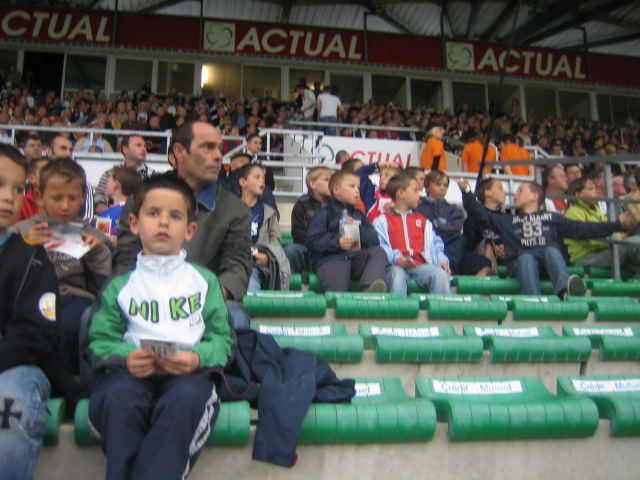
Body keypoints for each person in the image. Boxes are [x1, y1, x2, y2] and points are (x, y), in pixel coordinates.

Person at [86, 172, 234, 480]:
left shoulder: (204, 282)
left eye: (175, 216)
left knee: (185, 401)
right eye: (153, 213)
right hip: (129, 375)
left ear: (190, 230)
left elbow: (222, 340)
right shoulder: (120, 284)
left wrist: (197, 357)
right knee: (117, 400)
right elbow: (99, 342)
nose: (164, 222)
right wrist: (126, 356)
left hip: (188, 377)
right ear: (135, 224)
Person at [115, 121, 252, 329]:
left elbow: (236, 270)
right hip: (144, 297)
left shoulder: (236, 210)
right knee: (91, 316)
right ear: (179, 151)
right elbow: (126, 259)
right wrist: (158, 299)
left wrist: (192, 299)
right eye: (207, 147)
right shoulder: (141, 199)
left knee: (235, 318)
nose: (218, 156)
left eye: (219, 148)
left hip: (206, 301)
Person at [0, 145, 85, 480]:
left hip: (17, 369)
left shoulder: (32, 258)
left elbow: (33, 337)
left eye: (17, 189)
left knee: (9, 407)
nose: (8, 197)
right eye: (0, 185)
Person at [13, 158, 112, 376]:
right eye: (57, 198)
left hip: (75, 299)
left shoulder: (94, 236)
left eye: (73, 198)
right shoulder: (22, 230)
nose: (65, 206)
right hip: (31, 297)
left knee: (71, 321)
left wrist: (97, 253)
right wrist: (26, 246)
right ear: (39, 196)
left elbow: (103, 289)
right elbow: (9, 277)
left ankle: (69, 383)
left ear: (84, 196)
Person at [456, 178, 632, 298]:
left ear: (535, 196)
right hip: (521, 265)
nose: (515, 194)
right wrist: (467, 191)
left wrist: (616, 225)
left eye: (520, 191)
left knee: (550, 250)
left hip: (548, 266)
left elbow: (583, 229)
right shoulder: (508, 220)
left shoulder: (552, 218)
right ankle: (535, 301)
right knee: (525, 257)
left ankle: (565, 290)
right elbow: (480, 215)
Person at [306, 170, 387, 292]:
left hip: (355, 258)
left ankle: (369, 290)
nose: (357, 191)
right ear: (336, 190)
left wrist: (358, 229)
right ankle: (339, 304)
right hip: (331, 259)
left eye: (358, 187)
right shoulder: (323, 213)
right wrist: (337, 242)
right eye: (352, 186)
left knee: (378, 252)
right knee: (339, 287)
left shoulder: (360, 215)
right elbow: (312, 240)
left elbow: (374, 240)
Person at [373, 174, 451, 297]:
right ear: (401, 193)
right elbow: (381, 246)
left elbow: (435, 242)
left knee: (440, 275)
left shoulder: (422, 220)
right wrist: (396, 258)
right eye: (415, 191)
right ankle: (399, 313)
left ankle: (444, 313)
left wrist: (441, 259)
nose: (419, 195)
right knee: (396, 275)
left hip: (421, 266)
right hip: (395, 266)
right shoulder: (382, 221)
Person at [417, 171, 492, 277]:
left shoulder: (454, 209)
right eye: (438, 184)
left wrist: (435, 226)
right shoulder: (418, 207)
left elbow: (455, 227)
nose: (442, 188)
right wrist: (443, 228)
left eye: (445, 185)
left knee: (484, 263)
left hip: (454, 248)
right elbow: (422, 229)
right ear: (427, 187)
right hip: (430, 250)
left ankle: (469, 291)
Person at [565, 177, 640, 276]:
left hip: (603, 251)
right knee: (632, 245)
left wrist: (623, 226)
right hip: (586, 257)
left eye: (595, 188)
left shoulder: (597, 210)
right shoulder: (573, 213)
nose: (595, 191)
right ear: (577, 194)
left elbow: (608, 230)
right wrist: (618, 237)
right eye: (590, 189)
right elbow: (590, 240)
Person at [237, 164, 290, 290]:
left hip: (255, 264)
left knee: (250, 283)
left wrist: (267, 256)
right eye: (257, 177)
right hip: (231, 261)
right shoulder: (228, 208)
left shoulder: (269, 213)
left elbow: (275, 242)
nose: (262, 180)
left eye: (263, 177)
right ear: (243, 182)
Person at [285, 166, 333, 273]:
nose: (332, 183)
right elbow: (298, 234)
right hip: (309, 249)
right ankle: (293, 283)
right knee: (291, 250)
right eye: (327, 180)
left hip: (332, 248)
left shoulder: (338, 204)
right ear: (313, 184)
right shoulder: (302, 204)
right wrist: (318, 246)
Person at [94, 135, 152, 214]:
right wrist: (111, 214)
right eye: (138, 145)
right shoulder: (110, 173)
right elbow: (98, 198)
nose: (144, 149)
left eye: (144, 146)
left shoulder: (153, 176)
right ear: (125, 149)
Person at [44, 135, 95, 221]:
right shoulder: (35, 181)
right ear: (49, 151)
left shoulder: (84, 184)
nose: (68, 154)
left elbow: (87, 219)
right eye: (63, 148)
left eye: (71, 150)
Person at [463, 177, 508, 273]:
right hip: (480, 257)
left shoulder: (507, 217)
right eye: (500, 188)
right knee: (488, 242)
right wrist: (493, 246)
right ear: (488, 192)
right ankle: (491, 276)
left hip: (505, 256)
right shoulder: (472, 218)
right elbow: (469, 245)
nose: (505, 192)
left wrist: (505, 248)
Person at [97, 166, 143, 246]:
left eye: (108, 181)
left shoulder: (106, 215)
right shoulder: (140, 212)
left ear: (116, 184)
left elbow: (99, 242)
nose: (105, 185)